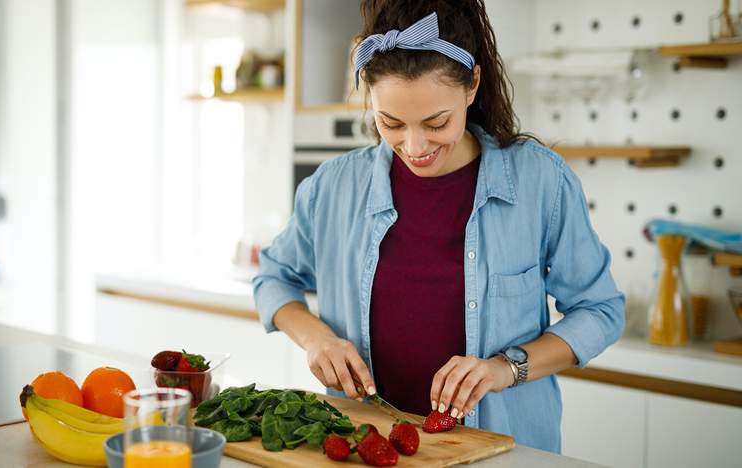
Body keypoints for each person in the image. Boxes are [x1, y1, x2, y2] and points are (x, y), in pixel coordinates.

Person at [253, 0, 624, 453]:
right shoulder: (331, 186)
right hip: (363, 448)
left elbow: (601, 311)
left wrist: (506, 368)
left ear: (472, 86)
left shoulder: (541, 181)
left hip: (502, 449)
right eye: (390, 122)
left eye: (436, 122)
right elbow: (273, 278)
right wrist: (317, 339)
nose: (414, 146)